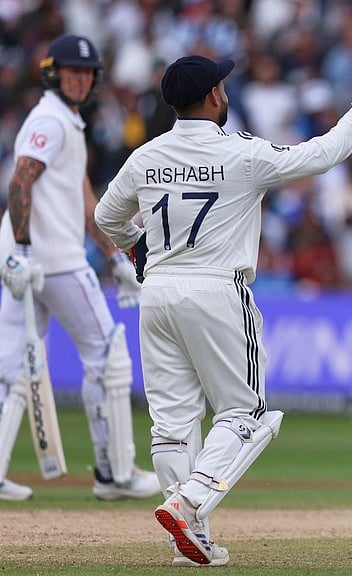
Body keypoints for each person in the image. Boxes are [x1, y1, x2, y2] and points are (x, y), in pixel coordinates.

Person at [94, 54, 352, 567]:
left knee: (173, 423)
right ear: (215, 97)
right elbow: (322, 154)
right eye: (222, 86)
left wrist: (137, 249)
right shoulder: (240, 154)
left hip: (157, 292)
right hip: (218, 290)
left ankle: (191, 536)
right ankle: (190, 502)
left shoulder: (146, 155)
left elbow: (105, 216)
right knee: (249, 413)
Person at [0, 34, 160, 503]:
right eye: (71, 71)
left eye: (87, 73)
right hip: (51, 261)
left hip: (25, 262)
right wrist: (25, 249)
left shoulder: (67, 122)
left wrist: (115, 255)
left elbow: (84, 198)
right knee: (108, 357)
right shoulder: (49, 120)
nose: (80, 79)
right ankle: (116, 474)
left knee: (10, 369)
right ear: (53, 73)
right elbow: (20, 179)